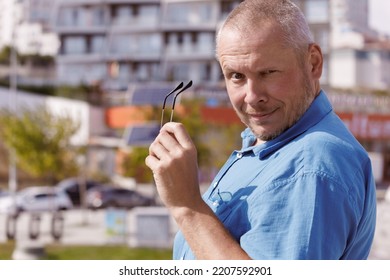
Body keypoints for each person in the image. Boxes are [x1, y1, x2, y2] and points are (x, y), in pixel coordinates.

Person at [145, 0, 376, 259]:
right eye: (236, 76)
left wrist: (187, 207)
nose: (252, 96)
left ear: (313, 63)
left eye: (268, 72)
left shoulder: (311, 164)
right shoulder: (269, 145)